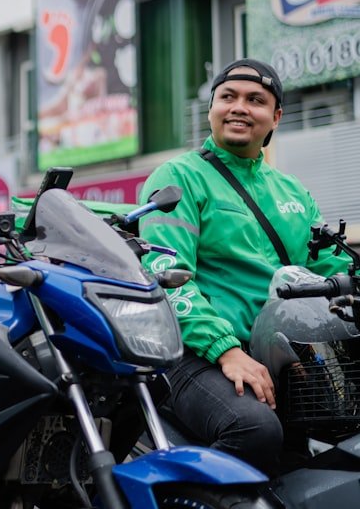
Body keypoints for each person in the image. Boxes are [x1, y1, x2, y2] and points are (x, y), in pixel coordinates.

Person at [139, 59, 350, 473]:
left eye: (255, 100)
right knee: (256, 431)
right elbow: (168, 278)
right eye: (228, 97)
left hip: (286, 359)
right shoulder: (178, 178)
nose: (239, 107)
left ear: (275, 117)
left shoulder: (292, 190)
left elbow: (332, 267)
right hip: (197, 355)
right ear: (211, 109)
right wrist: (227, 351)